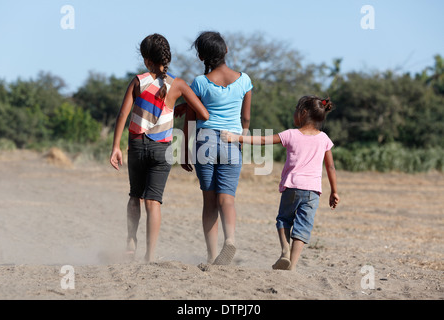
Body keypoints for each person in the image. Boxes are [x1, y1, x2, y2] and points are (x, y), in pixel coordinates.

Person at [109, 33, 209, 262]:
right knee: (153, 202)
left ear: (146, 60)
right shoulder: (179, 84)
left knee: (135, 196)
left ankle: (131, 242)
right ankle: (150, 256)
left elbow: (123, 114)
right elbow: (203, 113)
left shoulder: (138, 81)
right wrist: (181, 108)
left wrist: (116, 146)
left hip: (136, 145)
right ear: (167, 58)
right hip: (162, 149)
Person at [221, 95, 340, 271]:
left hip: (292, 186)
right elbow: (330, 167)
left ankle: (285, 250)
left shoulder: (291, 134)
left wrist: (236, 137)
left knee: (284, 219)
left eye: (296, 110)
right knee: (303, 227)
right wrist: (334, 191)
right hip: (313, 191)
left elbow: (262, 141)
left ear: (304, 113)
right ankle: (292, 263)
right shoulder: (324, 139)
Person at [181, 31, 253, 265]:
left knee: (209, 201)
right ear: (226, 51)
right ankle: (230, 239)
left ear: (202, 57)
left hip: (206, 143)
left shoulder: (200, 83)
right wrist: (241, 139)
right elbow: (246, 118)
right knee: (228, 199)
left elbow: (190, 120)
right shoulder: (244, 80)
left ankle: (212, 256)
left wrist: (184, 150)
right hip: (232, 141)